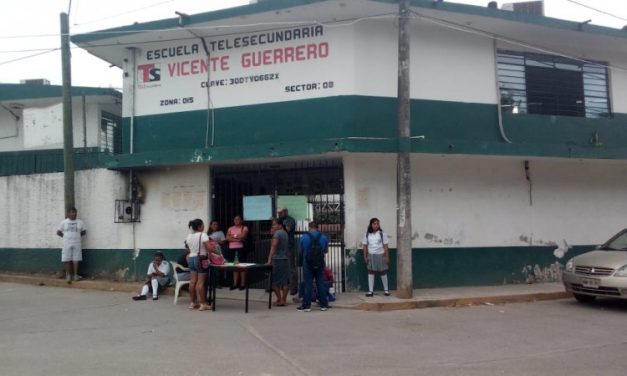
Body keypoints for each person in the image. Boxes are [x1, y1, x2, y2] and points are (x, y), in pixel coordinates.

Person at [185, 218, 219, 311]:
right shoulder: (203, 235)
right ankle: (203, 304)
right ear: (199, 226)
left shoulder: (189, 236)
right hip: (201, 259)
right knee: (201, 282)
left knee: (192, 282)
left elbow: (188, 249)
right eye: (203, 225)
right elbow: (209, 248)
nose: (204, 226)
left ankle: (193, 303)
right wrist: (218, 252)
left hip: (191, 258)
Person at [297, 221, 329, 312]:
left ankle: (307, 306)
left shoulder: (304, 237)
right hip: (319, 263)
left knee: (308, 284)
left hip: (307, 263)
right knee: (320, 283)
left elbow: (301, 251)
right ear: (318, 227)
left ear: (309, 227)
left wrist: (299, 262)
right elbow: (326, 251)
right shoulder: (323, 237)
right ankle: (324, 305)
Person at [56, 207, 87, 283]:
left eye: (75, 212)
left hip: (77, 243)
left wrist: (76, 236)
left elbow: (84, 232)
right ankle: (68, 275)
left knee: (76, 259)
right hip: (66, 243)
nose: (74, 214)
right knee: (66, 259)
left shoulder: (80, 222)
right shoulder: (64, 222)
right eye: (72, 212)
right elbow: (58, 232)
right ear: (68, 214)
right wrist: (66, 237)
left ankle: (75, 275)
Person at [361, 217, 390, 297]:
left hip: (381, 254)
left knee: (383, 271)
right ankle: (370, 291)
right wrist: (365, 257)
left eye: (377, 223)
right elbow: (365, 246)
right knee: (371, 271)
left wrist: (386, 256)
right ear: (371, 225)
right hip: (371, 255)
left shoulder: (382, 233)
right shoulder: (367, 234)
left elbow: (386, 245)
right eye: (374, 223)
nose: (376, 225)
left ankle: (386, 290)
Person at [266, 217, 289, 306]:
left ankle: (280, 299)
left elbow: (274, 246)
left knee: (274, 282)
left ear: (279, 225)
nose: (273, 226)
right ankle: (284, 299)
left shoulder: (277, 233)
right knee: (284, 281)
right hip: (285, 259)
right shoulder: (285, 233)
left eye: (274, 224)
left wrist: (269, 259)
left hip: (277, 259)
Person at [278, 207, 298, 295]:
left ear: (286, 212)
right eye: (279, 213)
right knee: (280, 267)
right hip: (280, 246)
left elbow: (287, 230)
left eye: (281, 213)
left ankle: (293, 288)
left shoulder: (290, 220)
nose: (279, 214)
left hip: (289, 246)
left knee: (291, 267)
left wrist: (280, 225)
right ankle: (280, 286)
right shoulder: (279, 220)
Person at [226, 215, 249, 290]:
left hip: (240, 249)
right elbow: (227, 238)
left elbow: (243, 237)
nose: (236, 221)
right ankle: (235, 283)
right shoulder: (230, 228)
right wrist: (237, 238)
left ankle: (242, 284)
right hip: (231, 248)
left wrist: (233, 236)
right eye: (235, 219)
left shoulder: (244, 228)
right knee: (234, 266)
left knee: (241, 266)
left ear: (241, 220)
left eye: (238, 219)